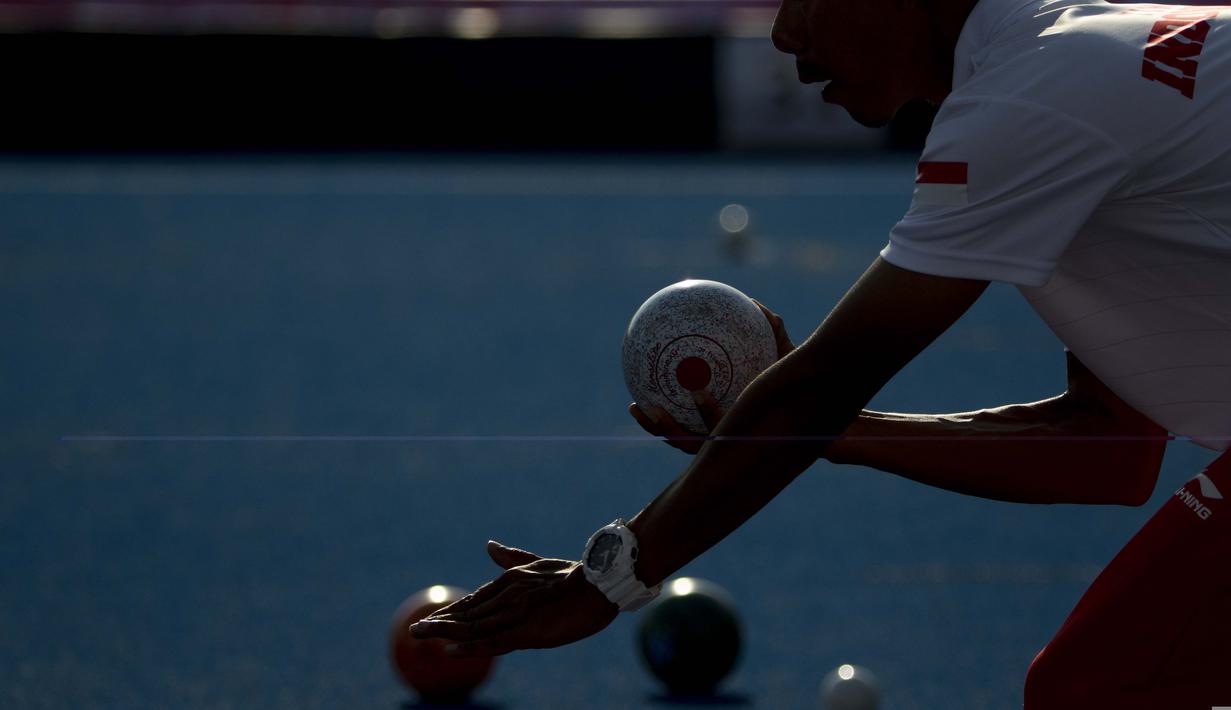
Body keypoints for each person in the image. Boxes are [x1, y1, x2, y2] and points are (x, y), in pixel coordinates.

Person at [412, 0, 1231, 706]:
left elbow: (821, 381)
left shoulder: (1025, 104)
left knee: (1094, 690)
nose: (780, 32)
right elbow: (1107, 452)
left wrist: (604, 581)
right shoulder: (1068, 62)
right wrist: (837, 432)